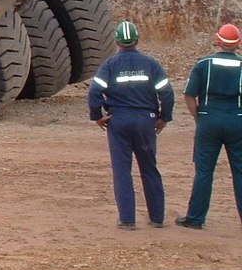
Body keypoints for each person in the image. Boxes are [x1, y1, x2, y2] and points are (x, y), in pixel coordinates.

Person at [88, 21, 175, 229]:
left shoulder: (109, 65)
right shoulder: (151, 64)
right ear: (137, 40)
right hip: (146, 121)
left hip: (119, 121)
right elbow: (167, 93)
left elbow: (94, 92)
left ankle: (127, 220)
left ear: (117, 41)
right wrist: (164, 117)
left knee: (122, 170)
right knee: (149, 169)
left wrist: (97, 116)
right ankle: (157, 218)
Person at [176, 23, 242, 230]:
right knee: (239, 171)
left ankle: (195, 218)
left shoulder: (203, 64)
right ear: (238, 43)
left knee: (204, 171)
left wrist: (199, 118)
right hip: (236, 118)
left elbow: (189, 94)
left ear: (217, 40)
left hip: (208, 118)